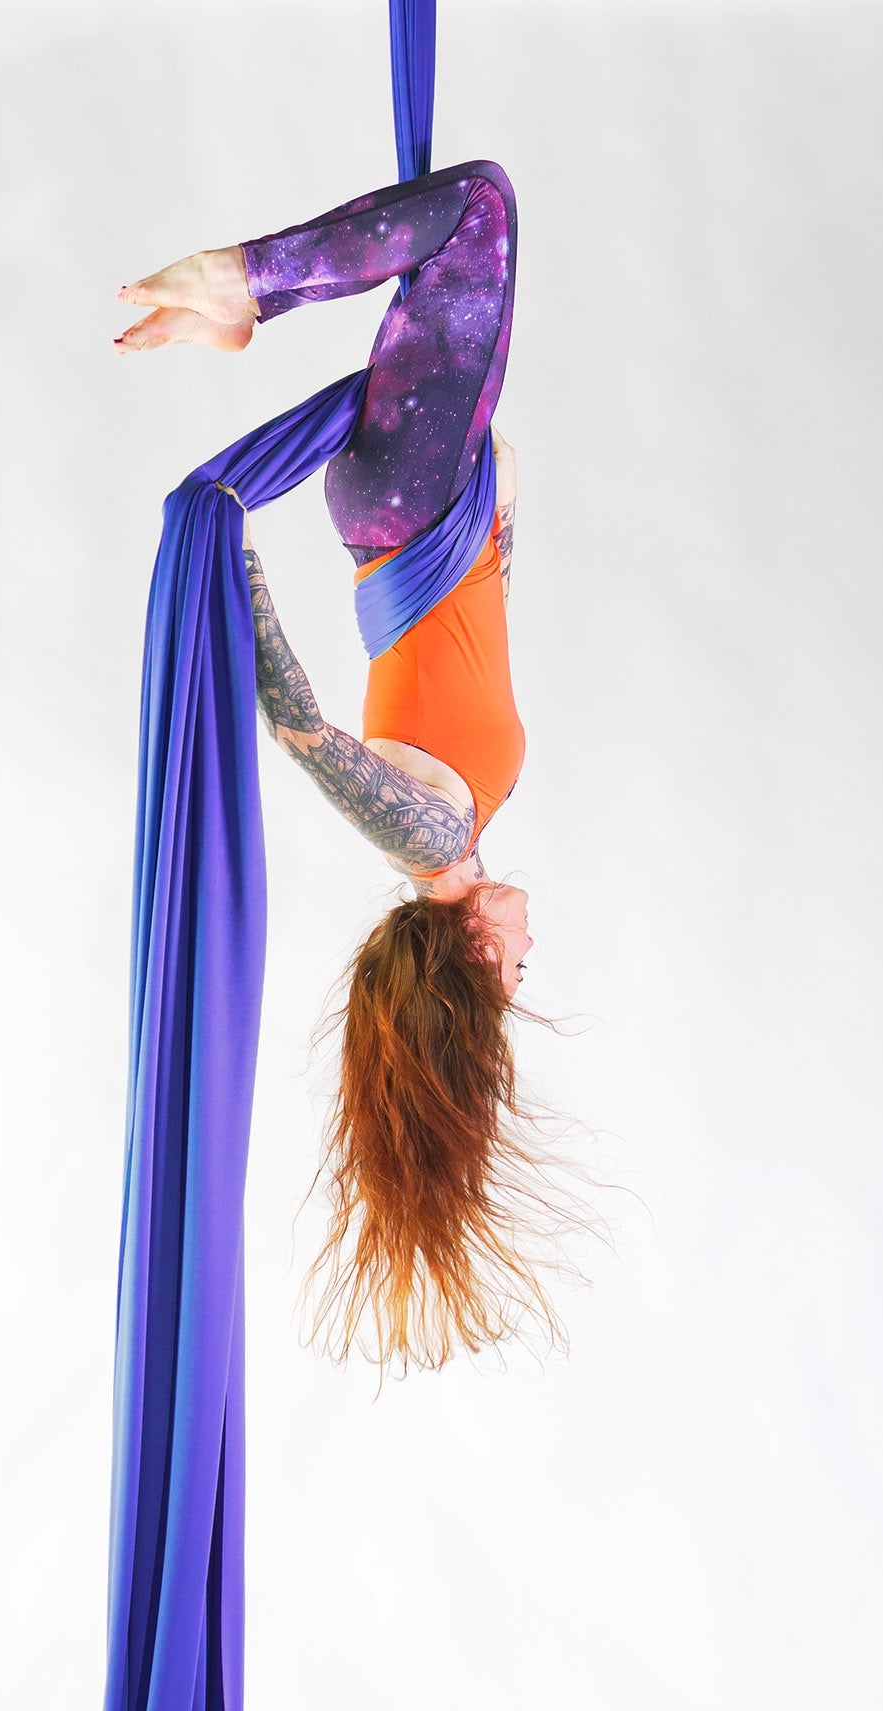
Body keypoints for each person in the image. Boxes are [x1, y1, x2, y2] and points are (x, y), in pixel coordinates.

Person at [115, 162, 577, 1374]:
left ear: (470, 948)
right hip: (440, 509)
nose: (529, 945)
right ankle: (246, 293)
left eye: (515, 965)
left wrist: (232, 557)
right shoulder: (468, 819)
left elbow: (306, 733)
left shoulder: (424, 838)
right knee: (457, 228)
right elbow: (476, 642)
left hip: (406, 509)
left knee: (478, 207)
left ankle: (242, 285)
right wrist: (499, 510)